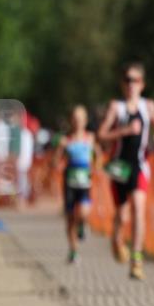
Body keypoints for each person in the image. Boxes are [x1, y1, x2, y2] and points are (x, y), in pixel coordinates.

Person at [98, 62, 154, 281]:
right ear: (122, 84)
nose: (131, 85)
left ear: (142, 84)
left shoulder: (149, 107)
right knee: (122, 214)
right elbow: (101, 135)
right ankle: (116, 239)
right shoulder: (115, 107)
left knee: (138, 208)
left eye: (135, 80)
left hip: (139, 165)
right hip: (119, 166)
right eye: (128, 80)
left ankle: (136, 260)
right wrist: (124, 131)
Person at [54, 106, 97, 264]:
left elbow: (97, 155)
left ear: (85, 121)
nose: (78, 122)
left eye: (81, 119)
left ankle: (83, 225)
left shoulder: (90, 138)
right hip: (70, 180)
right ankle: (73, 250)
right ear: (71, 120)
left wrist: (95, 167)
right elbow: (54, 162)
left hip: (85, 179)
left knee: (84, 212)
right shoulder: (66, 140)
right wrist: (60, 149)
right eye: (75, 118)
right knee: (70, 217)